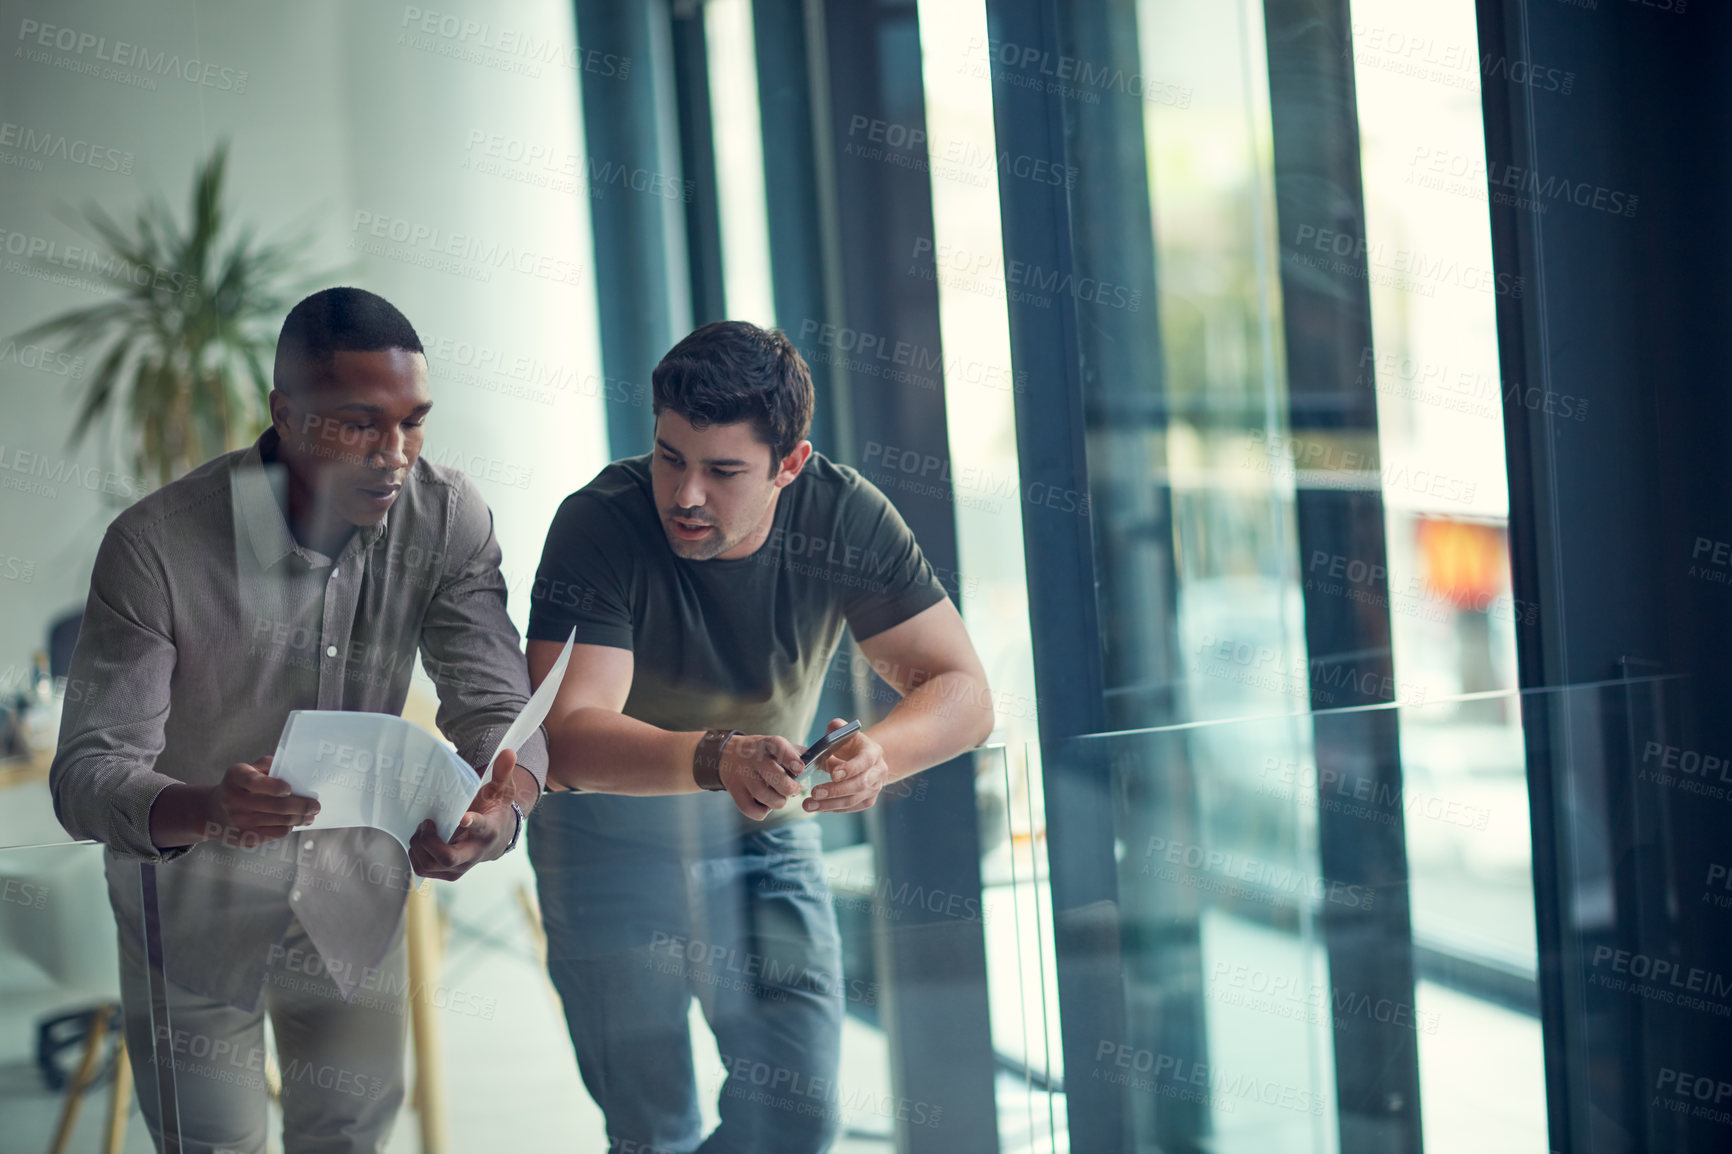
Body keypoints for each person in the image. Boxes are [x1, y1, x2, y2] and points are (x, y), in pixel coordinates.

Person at [49, 287, 545, 1154]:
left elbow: (498, 706)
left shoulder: (447, 517)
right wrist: (208, 806)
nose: (394, 456)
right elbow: (88, 772)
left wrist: (497, 816)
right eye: (359, 425)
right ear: (284, 414)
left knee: (350, 1140)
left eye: (413, 423)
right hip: (193, 915)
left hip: (354, 905)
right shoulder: (154, 547)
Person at [526, 320, 995, 1154]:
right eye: (670, 457)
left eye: (723, 470)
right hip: (606, 849)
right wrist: (716, 757)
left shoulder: (843, 515)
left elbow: (961, 691)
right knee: (652, 1131)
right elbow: (567, 738)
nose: (686, 495)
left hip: (764, 843)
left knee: (797, 1123)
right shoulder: (598, 525)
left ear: (790, 463)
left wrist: (880, 752)